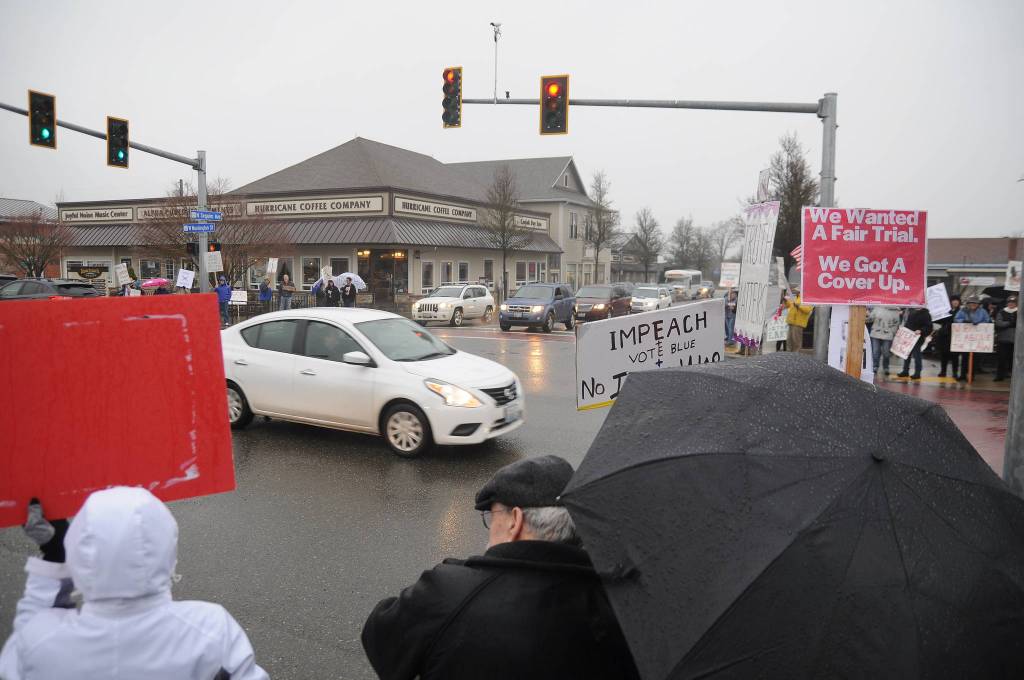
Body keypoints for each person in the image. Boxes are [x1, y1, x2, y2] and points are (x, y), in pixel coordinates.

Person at [361, 456, 640, 680]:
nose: (489, 528)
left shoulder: (449, 594)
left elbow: (380, 638)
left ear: (514, 520)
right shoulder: (619, 608)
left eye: (491, 515)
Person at [0, 489, 267, 679]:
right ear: (167, 547)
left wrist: (56, 555)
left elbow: (25, 642)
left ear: (78, 551)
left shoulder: (39, 640)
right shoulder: (210, 629)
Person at [953, 296, 992, 382]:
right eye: (971, 303)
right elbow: (956, 319)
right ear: (968, 304)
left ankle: (971, 375)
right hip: (965, 338)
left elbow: (988, 320)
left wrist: (979, 323)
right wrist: (964, 321)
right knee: (964, 358)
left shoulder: (983, 311)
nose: (973, 305)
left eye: (975, 303)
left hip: (978, 339)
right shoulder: (963, 310)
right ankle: (963, 375)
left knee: (975, 359)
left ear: (978, 304)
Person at [896, 306, 933, 380]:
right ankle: (905, 371)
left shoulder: (926, 313)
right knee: (906, 354)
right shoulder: (911, 311)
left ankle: (917, 372)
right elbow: (907, 323)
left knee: (917, 355)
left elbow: (929, 327)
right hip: (909, 336)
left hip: (918, 337)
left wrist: (921, 330)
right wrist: (904, 331)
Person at [866, 305, 901, 377]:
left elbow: (896, 324)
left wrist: (892, 332)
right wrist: (867, 316)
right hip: (876, 333)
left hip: (888, 334)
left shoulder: (895, 310)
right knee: (875, 351)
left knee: (886, 352)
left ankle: (886, 367)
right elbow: (871, 319)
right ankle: (875, 366)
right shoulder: (877, 307)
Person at [933, 294, 962, 378]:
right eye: (953, 300)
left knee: (955, 356)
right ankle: (943, 371)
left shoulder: (961, 311)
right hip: (944, 336)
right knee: (944, 355)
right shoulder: (945, 311)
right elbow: (939, 320)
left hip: (955, 336)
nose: (955, 302)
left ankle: (955, 372)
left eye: (957, 300)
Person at [782, 287, 813, 352]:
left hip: (798, 323)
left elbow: (808, 310)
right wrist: (786, 300)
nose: (796, 291)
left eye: (798, 290)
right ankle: (789, 354)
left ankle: (795, 355)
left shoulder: (806, 299)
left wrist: (798, 306)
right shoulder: (797, 298)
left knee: (796, 341)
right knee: (789, 340)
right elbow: (789, 305)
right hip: (792, 322)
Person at [994, 294, 1018, 381]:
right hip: (1003, 339)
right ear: (1007, 303)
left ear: (1016, 303)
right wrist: (1009, 323)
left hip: (1016, 340)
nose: (1011, 304)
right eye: (1010, 302)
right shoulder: (1001, 312)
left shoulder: (1019, 312)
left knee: (1014, 360)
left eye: (1013, 302)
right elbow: (998, 323)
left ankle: (1014, 376)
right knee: (1002, 358)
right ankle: (999, 376)